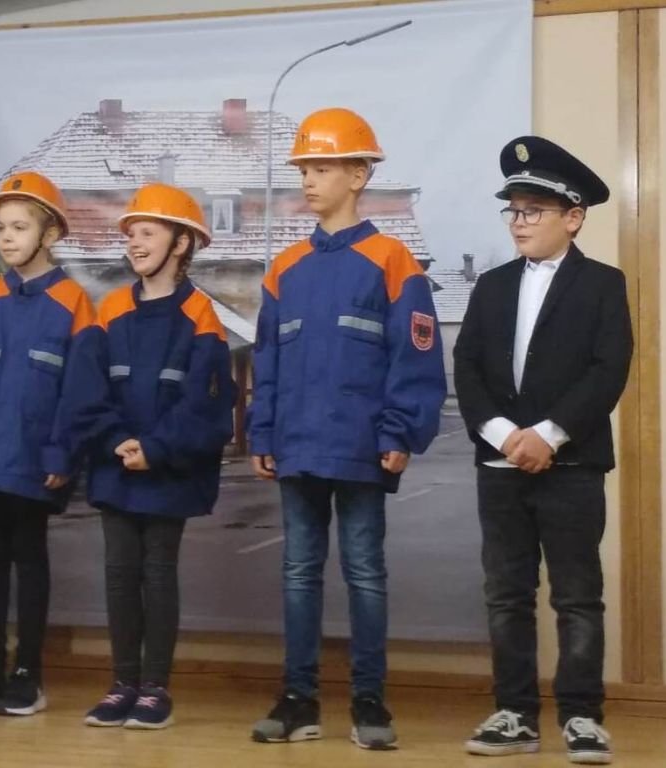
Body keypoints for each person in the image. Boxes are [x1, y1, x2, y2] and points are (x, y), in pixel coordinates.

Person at [246, 108, 446, 749]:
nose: (308, 180)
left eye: (322, 168)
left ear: (359, 175)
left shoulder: (392, 261)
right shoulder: (284, 268)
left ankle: (369, 703)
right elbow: (267, 364)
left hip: (362, 449)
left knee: (365, 573)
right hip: (297, 448)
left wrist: (399, 433)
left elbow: (415, 359)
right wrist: (262, 434)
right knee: (298, 573)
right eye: (304, 168)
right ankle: (298, 701)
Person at [455, 136, 632, 765]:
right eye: (514, 210)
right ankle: (514, 714)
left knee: (577, 596)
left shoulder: (603, 284)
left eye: (533, 211)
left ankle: (582, 716)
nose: (520, 222)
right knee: (507, 594)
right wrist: (505, 434)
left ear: (573, 217)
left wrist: (549, 435)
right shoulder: (492, 285)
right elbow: (467, 367)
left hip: (572, 466)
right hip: (499, 465)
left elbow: (608, 370)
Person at [0, 172, 99, 716]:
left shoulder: (73, 303)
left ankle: (27, 675)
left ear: (49, 234)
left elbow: (79, 391)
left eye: (20, 227)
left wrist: (61, 452)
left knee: (30, 560)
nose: (7, 237)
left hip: (34, 461)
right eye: (2, 227)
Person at [82, 183, 235, 729]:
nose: (135, 243)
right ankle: (122, 684)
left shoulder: (200, 315)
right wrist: (115, 441)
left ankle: (154, 690)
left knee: (157, 573)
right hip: (116, 466)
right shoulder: (109, 310)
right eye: (131, 235)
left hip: (167, 472)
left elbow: (205, 404)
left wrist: (156, 449)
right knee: (120, 575)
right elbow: (87, 389)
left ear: (181, 242)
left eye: (147, 232)